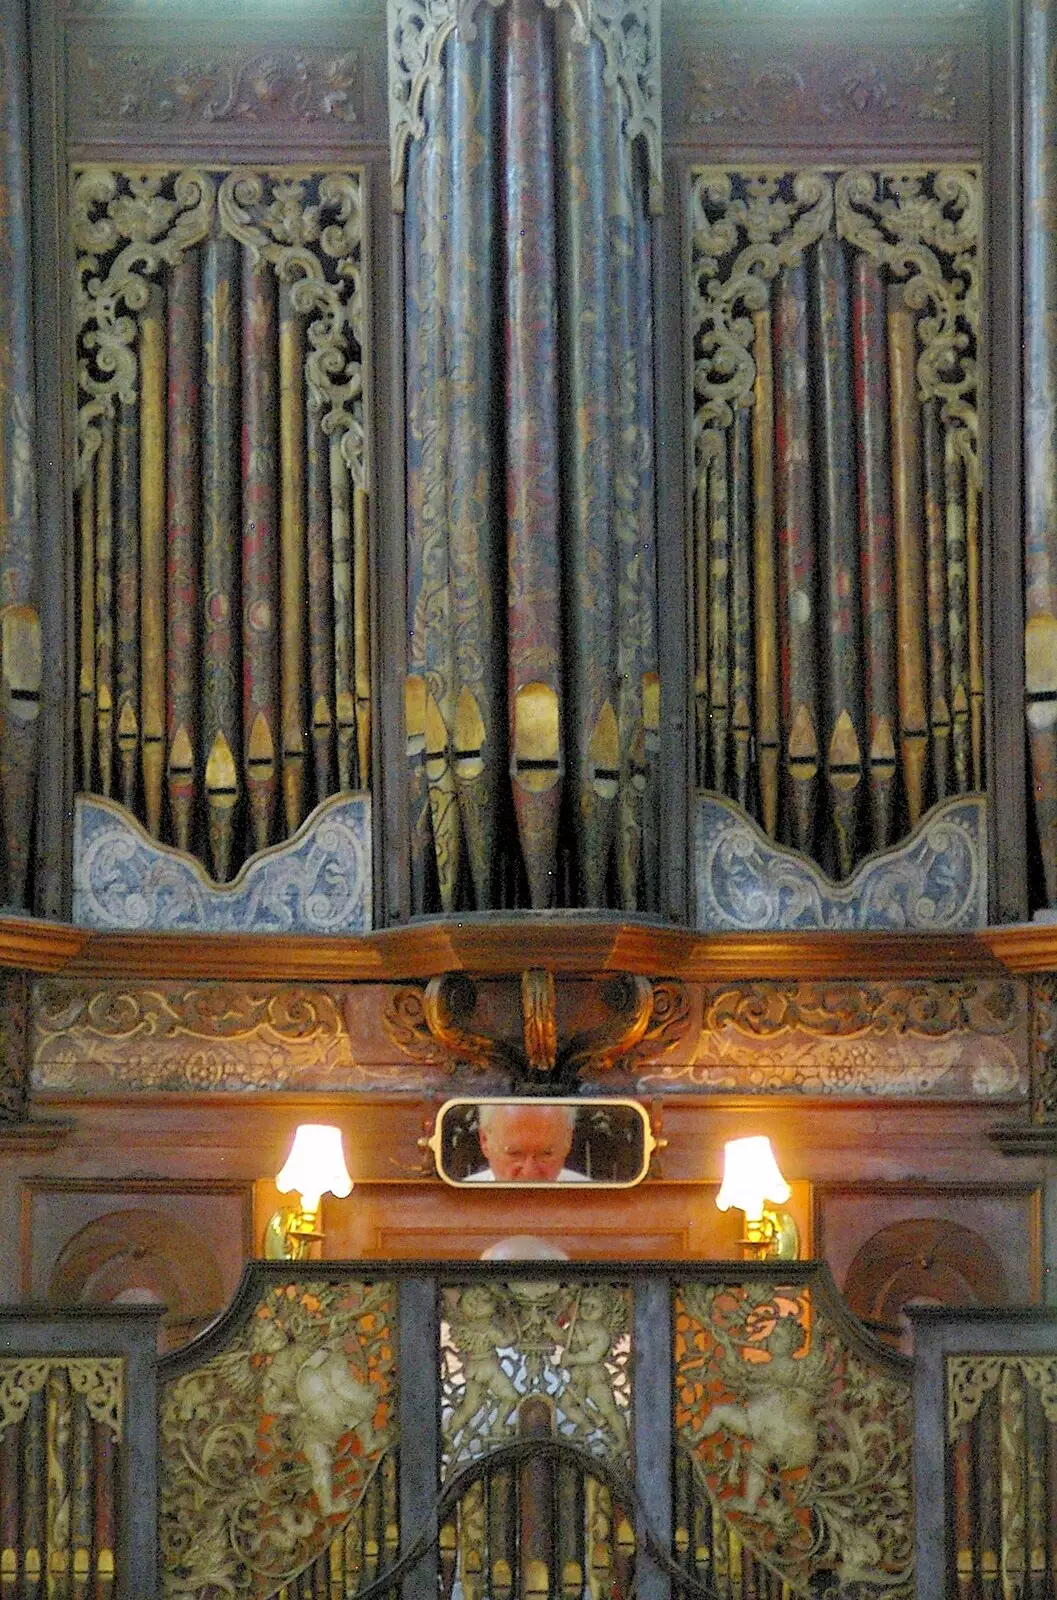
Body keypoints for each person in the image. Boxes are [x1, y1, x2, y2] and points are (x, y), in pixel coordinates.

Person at [464, 1101, 589, 1182]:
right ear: (485, 1141)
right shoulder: (460, 1202)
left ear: (568, 1141)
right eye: (514, 1154)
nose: (529, 1173)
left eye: (546, 1153)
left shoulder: (593, 1201)